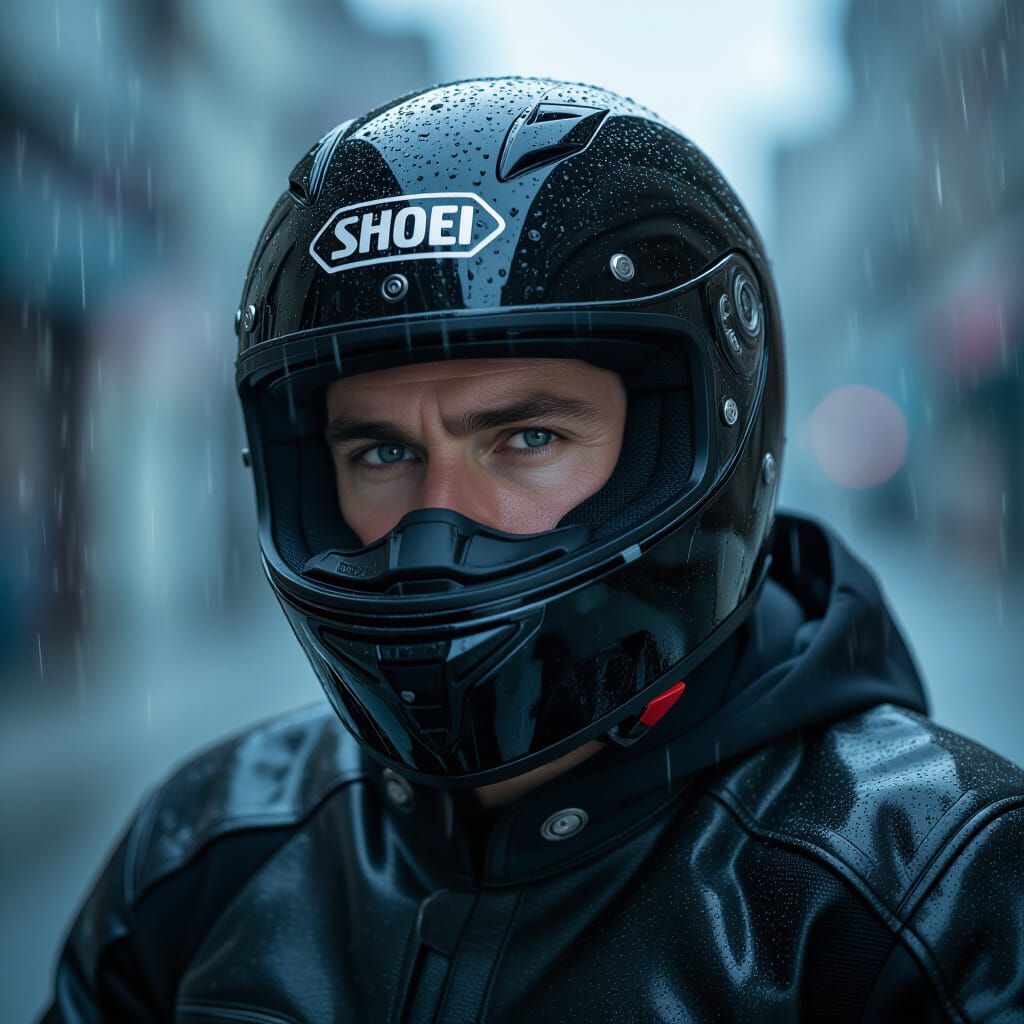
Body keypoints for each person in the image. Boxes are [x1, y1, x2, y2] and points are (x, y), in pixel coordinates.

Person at [42, 77, 1024, 1023]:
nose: (437, 525)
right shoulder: (206, 844)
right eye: (382, 451)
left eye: (525, 439)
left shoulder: (930, 880)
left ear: (679, 448)